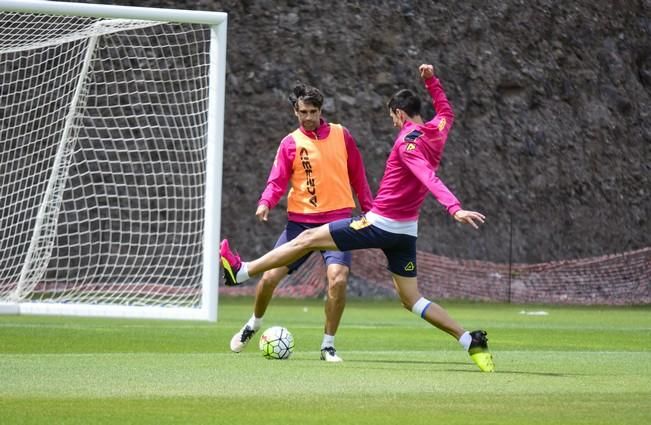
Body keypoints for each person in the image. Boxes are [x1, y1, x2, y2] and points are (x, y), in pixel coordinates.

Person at [221, 64, 494, 372]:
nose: (393, 123)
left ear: (400, 115)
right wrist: (431, 81)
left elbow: (427, 176)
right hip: (406, 230)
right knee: (412, 300)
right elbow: (446, 109)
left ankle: (241, 272)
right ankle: (469, 341)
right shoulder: (440, 129)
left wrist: (453, 207)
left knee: (309, 239)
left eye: (392, 117)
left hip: (380, 222)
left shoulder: (407, 143)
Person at [228, 82, 374, 362]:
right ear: (295, 111)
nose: (308, 117)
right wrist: (265, 202)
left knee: (338, 280)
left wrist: (370, 211)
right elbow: (277, 180)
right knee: (269, 277)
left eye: (313, 111)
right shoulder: (290, 143)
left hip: (338, 222)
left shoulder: (342, 135)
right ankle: (253, 324)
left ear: (321, 110)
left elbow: (359, 176)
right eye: (303, 111)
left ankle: (328, 345)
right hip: (301, 225)